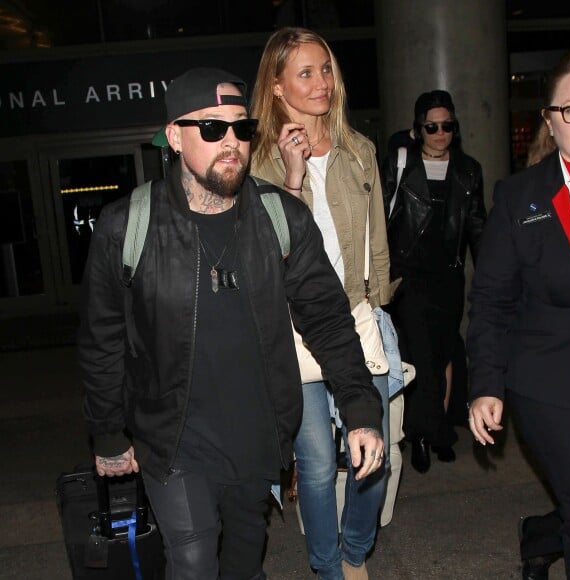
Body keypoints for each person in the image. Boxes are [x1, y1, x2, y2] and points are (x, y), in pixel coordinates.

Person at [78, 66, 385, 580]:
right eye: (212, 128)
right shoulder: (127, 225)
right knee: (194, 560)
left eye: (242, 128)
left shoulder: (280, 218)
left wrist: (359, 405)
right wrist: (108, 432)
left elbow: (328, 319)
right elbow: (101, 340)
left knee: (244, 564)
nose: (233, 143)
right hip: (172, 438)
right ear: (175, 137)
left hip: (257, 437)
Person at [250, 27, 397, 580]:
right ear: (278, 86)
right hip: (292, 329)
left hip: (357, 317)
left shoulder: (359, 150)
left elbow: (377, 239)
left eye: (326, 69)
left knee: (373, 452)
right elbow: (269, 252)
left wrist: (380, 306)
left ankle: (355, 549)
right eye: (306, 73)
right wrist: (291, 178)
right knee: (313, 468)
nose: (321, 83)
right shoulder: (256, 163)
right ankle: (328, 569)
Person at [467, 47, 570, 580]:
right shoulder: (520, 198)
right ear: (550, 121)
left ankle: (539, 537)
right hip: (551, 381)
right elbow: (492, 300)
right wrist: (486, 383)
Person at [380, 90, 487, 474]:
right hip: (409, 276)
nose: (440, 133)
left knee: (442, 352)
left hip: (449, 278)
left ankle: (435, 427)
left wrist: (491, 273)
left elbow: (477, 226)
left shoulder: (469, 170)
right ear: (417, 129)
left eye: (447, 126)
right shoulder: (400, 163)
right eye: (432, 126)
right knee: (421, 355)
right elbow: (379, 218)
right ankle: (426, 435)